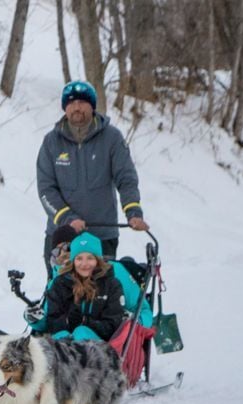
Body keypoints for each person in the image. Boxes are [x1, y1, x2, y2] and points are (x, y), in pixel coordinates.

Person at [36, 80, 149, 279]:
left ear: (92, 106)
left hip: (102, 237)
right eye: (71, 103)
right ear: (65, 108)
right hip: (62, 239)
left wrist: (133, 212)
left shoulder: (112, 138)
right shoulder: (51, 142)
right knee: (61, 298)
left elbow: (126, 178)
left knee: (100, 298)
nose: (76, 107)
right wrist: (68, 219)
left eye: (82, 102)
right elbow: (46, 189)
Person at [24, 224, 153, 331]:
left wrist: (131, 324)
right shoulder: (57, 280)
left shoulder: (114, 273)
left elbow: (144, 310)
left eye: (67, 247)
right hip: (65, 345)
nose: (63, 253)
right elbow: (49, 323)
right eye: (57, 251)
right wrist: (35, 319)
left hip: (106, 343)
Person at [44, 232, 124, 342]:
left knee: (81, 332)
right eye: (79, 258)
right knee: (61, 337)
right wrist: (67, 321)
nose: (84, 264)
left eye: (90, 258)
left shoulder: (111, 285)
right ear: (73, 261)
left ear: (98, 260)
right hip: (63, 344)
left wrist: (86, 322)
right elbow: (51, 322)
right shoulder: (60, 284)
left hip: (97, 347)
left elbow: (113, 326)